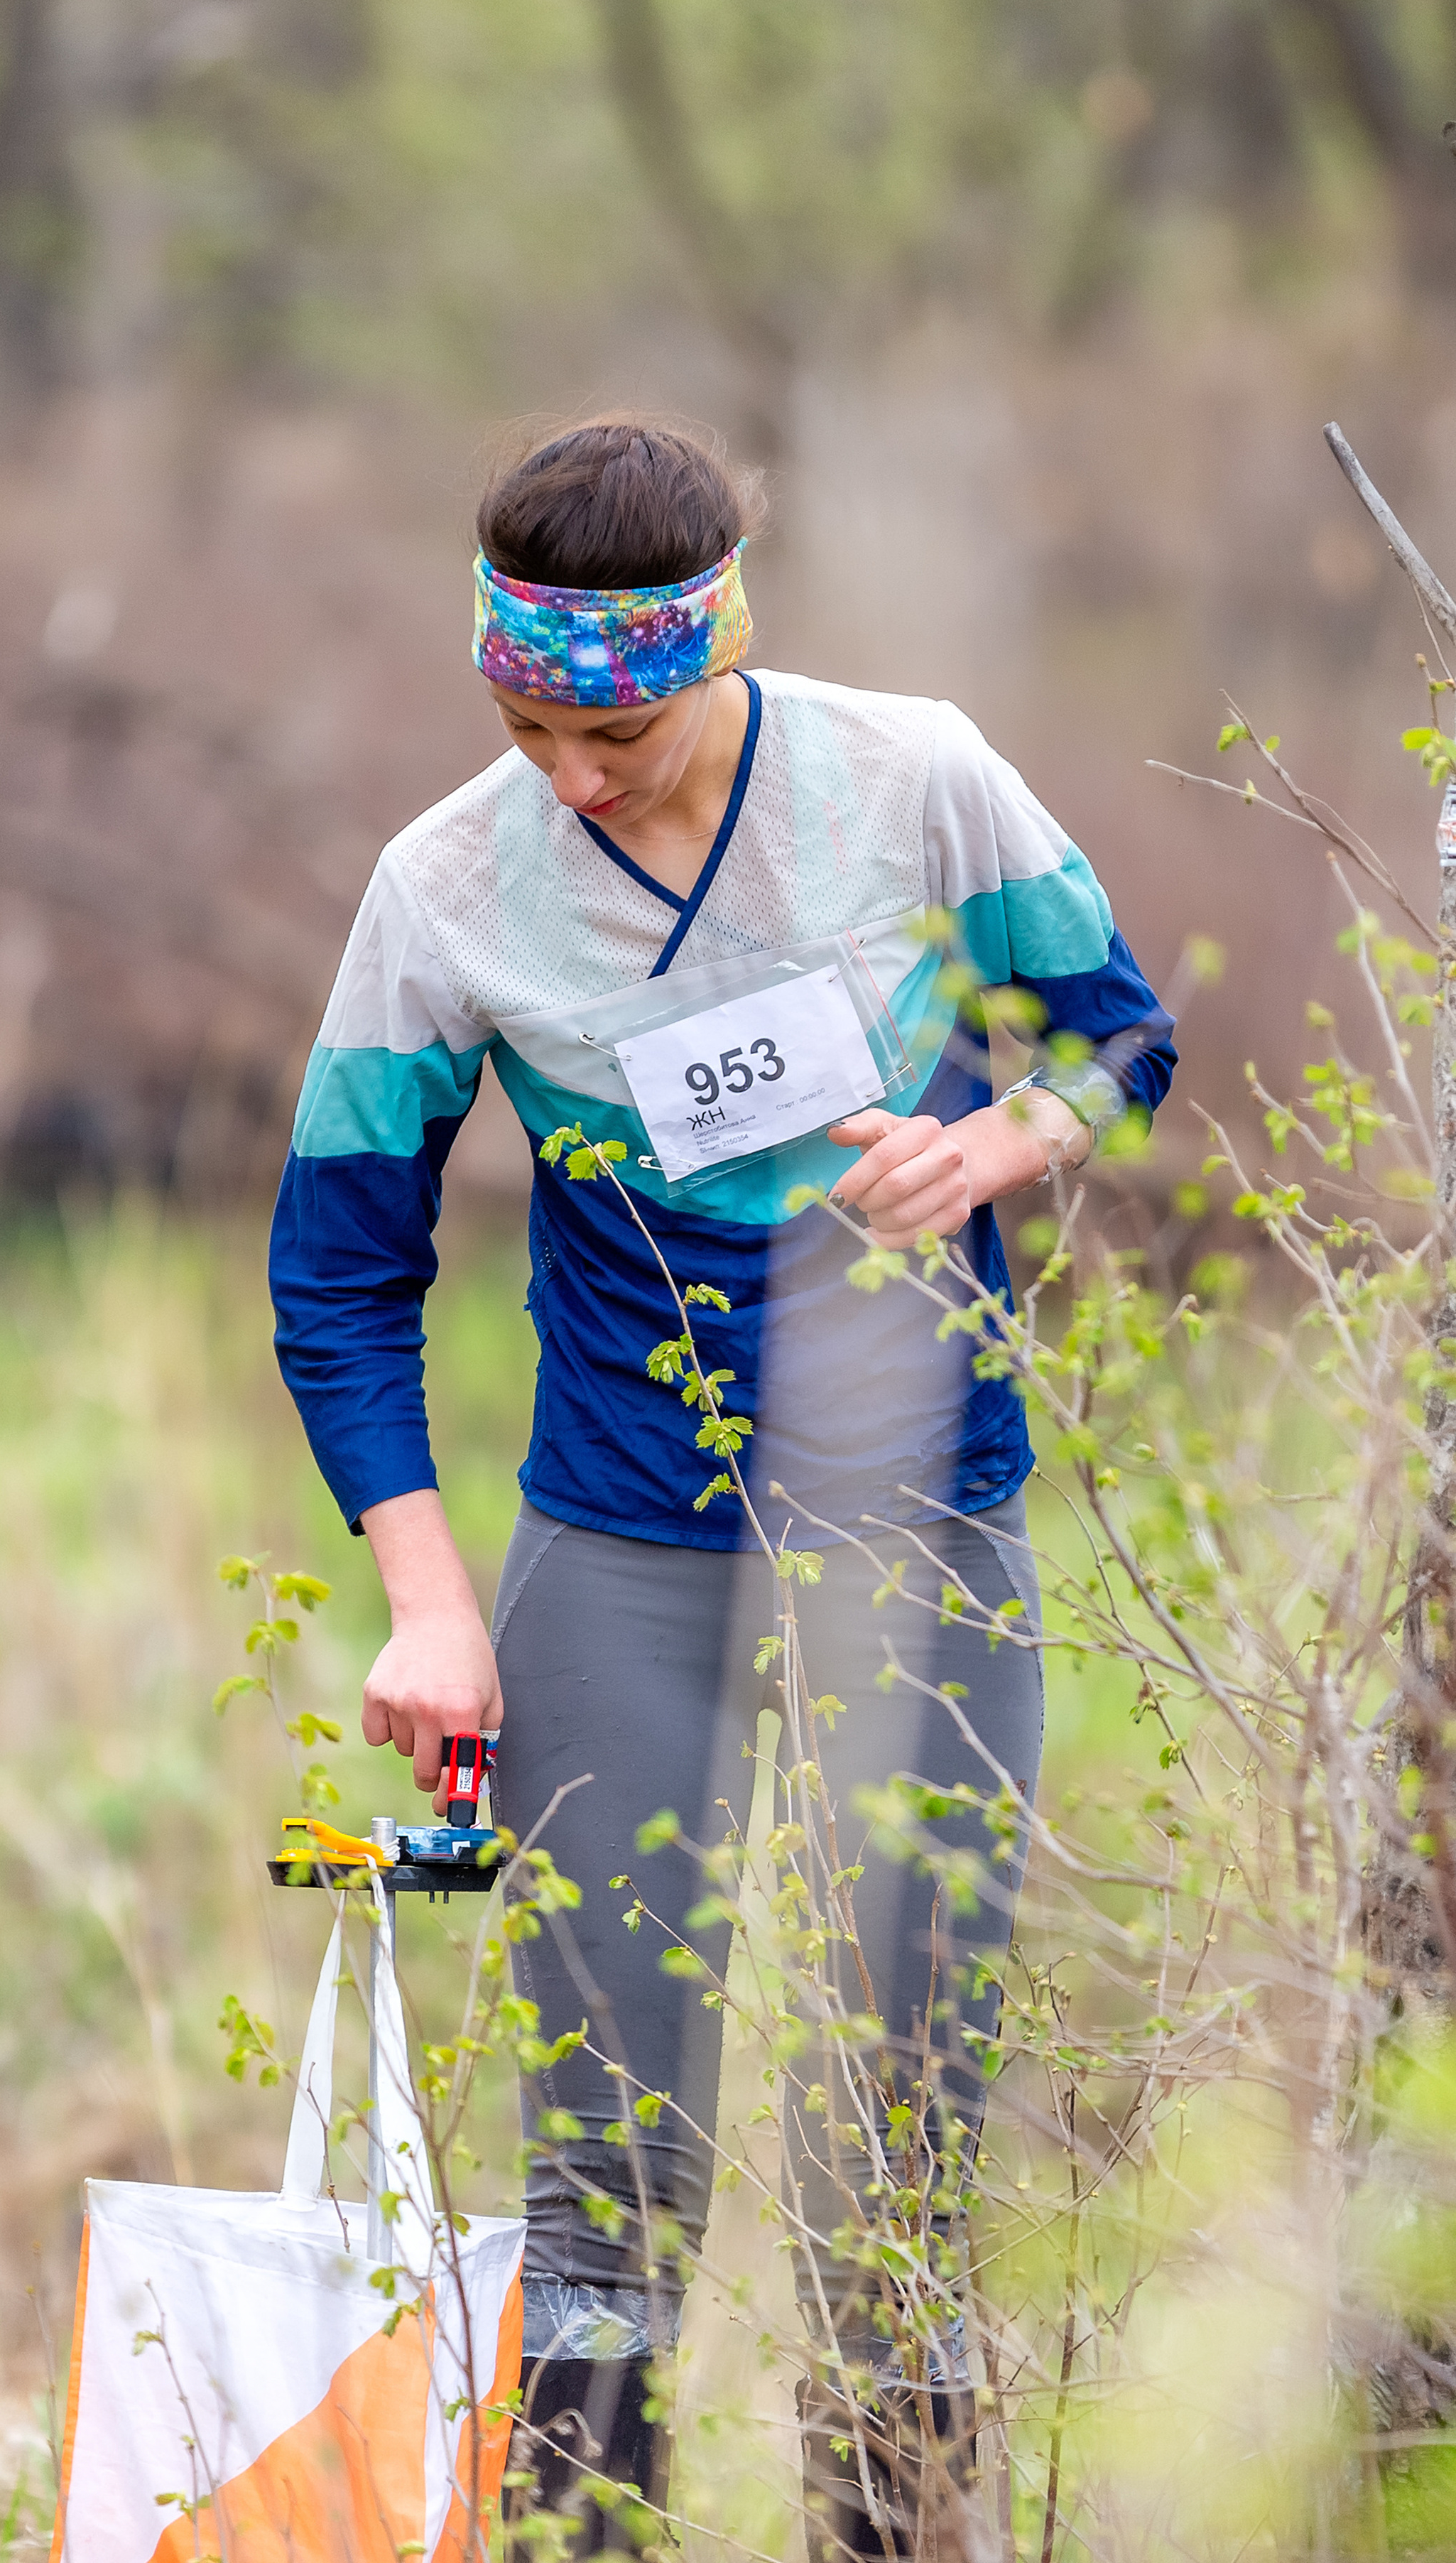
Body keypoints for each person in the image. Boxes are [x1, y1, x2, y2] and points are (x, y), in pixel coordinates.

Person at [268, 419, 1175, 2557]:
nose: (574, 773)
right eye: (524, 721)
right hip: (622, 1549)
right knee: (609, 2167)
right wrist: (427, 1598)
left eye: (622, 724)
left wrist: (996, 1146)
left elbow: (1123, 1037)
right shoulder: (446, 888)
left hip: (923, 1534)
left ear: (721, 652)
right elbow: (337, 1266)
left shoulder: (915, 776)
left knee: (903, 2142)